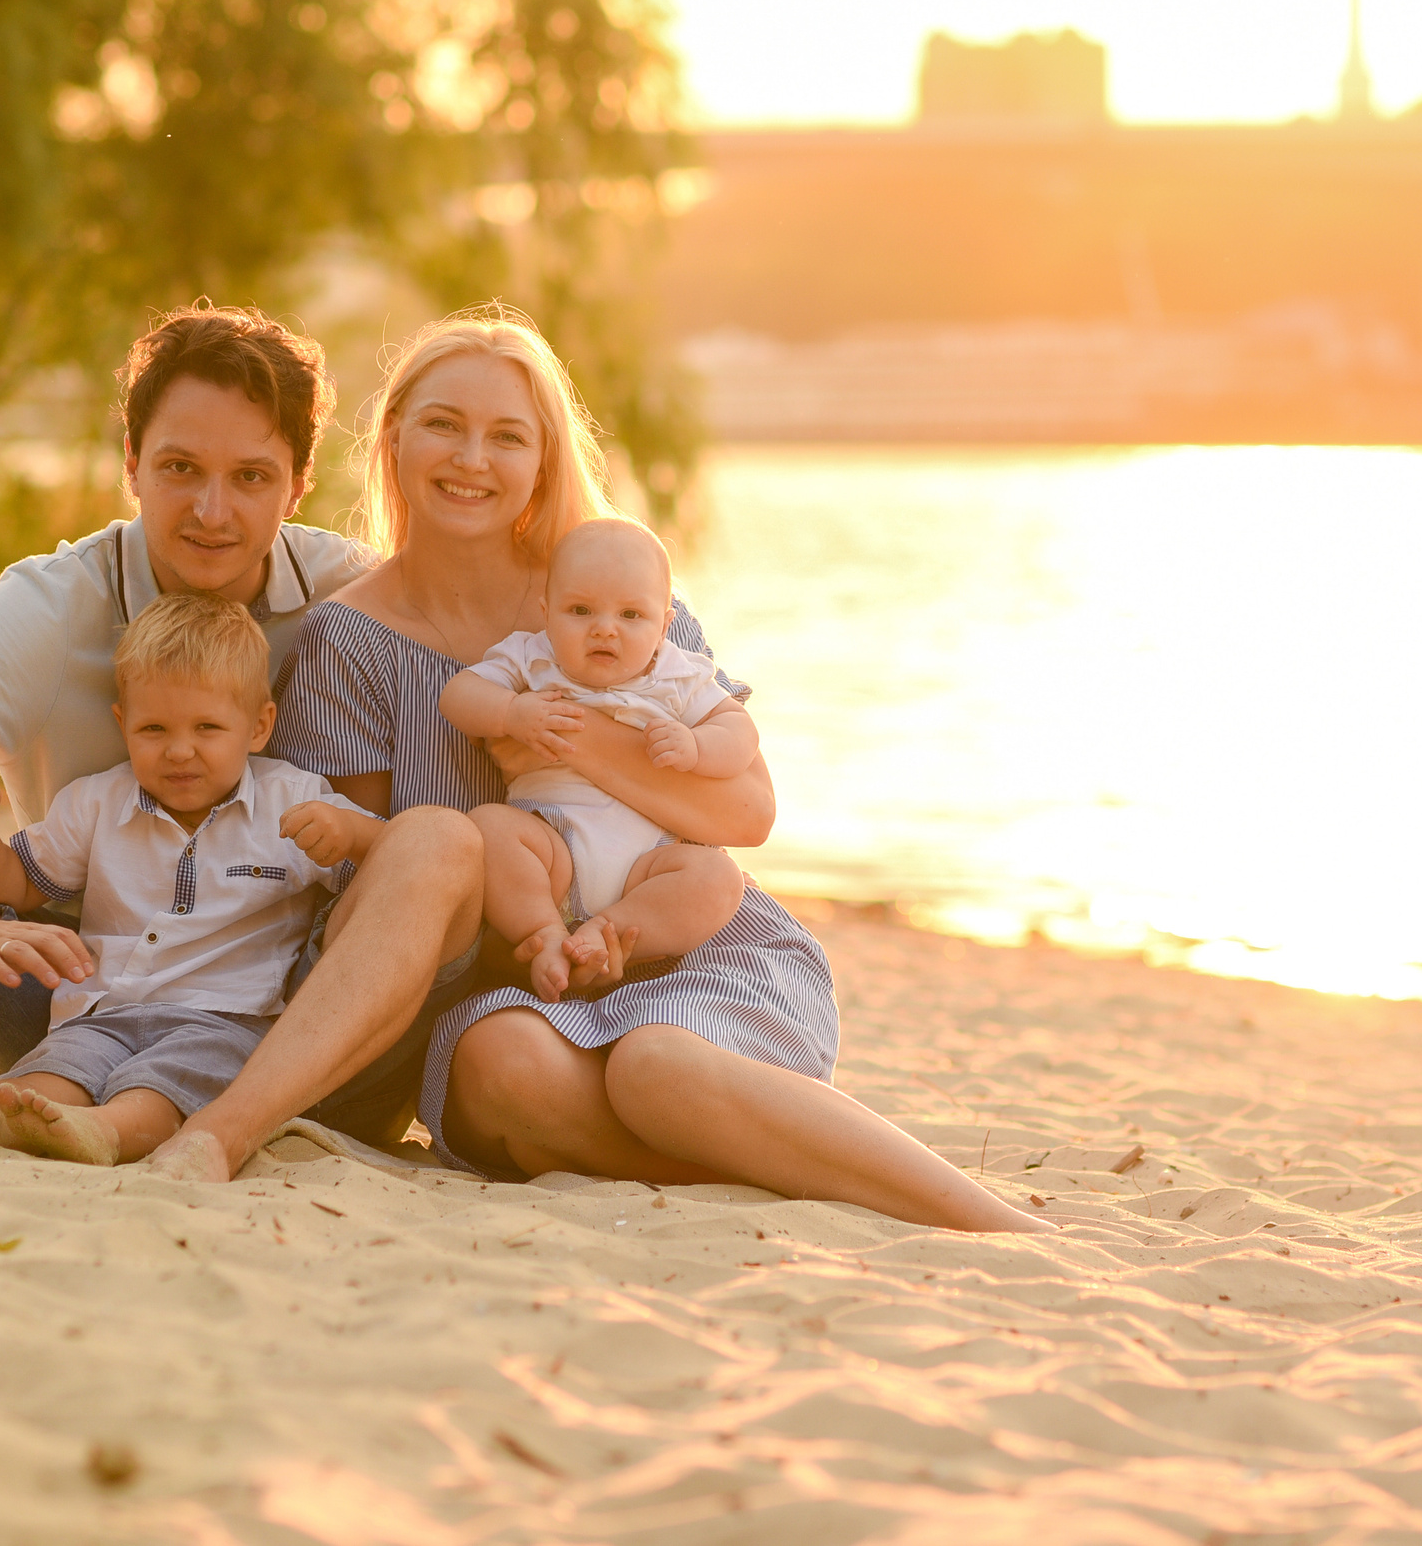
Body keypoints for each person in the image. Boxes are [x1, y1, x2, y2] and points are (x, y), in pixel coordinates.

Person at [271, 308, 1053, 1232]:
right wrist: (543, 931)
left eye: (508, 436)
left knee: (656, 1063)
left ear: (544, 460)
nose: (472, 458)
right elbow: (370, 890)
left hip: (688, 935)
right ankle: (774, 1155)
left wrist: (575, 743)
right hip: (528, 980)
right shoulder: (347, 640)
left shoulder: (624, 598)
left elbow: (748, 812)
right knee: (498, 1068)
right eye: (444, 424)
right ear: (395, 434)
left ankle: (975, 1215)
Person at [0, 304, 485, 1177]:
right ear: (132, 464)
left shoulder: (356, 594)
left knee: (442, 841)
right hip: (86, 1003)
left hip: (297, 1013)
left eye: (251, 477)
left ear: (298, 485)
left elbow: (532, 644)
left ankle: (222, 1128)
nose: (212, 511)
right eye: (181, 468)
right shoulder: (54, 603)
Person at [0, 593, 386, 1166]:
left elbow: (397, 867)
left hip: (226, 1022)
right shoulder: (98, 800)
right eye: (154, 728)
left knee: (163, 1087)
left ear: (258, 726)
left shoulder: (292, 799)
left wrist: (352, 833)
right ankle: (0, 1117)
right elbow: (15, 886)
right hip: (104, 1011)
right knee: (60, 1065)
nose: (180, 751)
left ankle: (103, 1132)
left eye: (207, 727)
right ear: (122, 723)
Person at [440, 517, 752, 1001]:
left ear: (664, 625)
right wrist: (512, 712)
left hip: (645, 867)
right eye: (581, 610)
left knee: (719, 878)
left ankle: (607, 933)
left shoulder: (678, 675)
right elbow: (458, 696)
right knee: (489, 828)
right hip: (550, 849)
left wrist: (697, 746)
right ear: (547, 613)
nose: (605, 629)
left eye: (631, 615)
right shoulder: (532, 657)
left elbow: (740, 732)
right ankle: (545, 932)